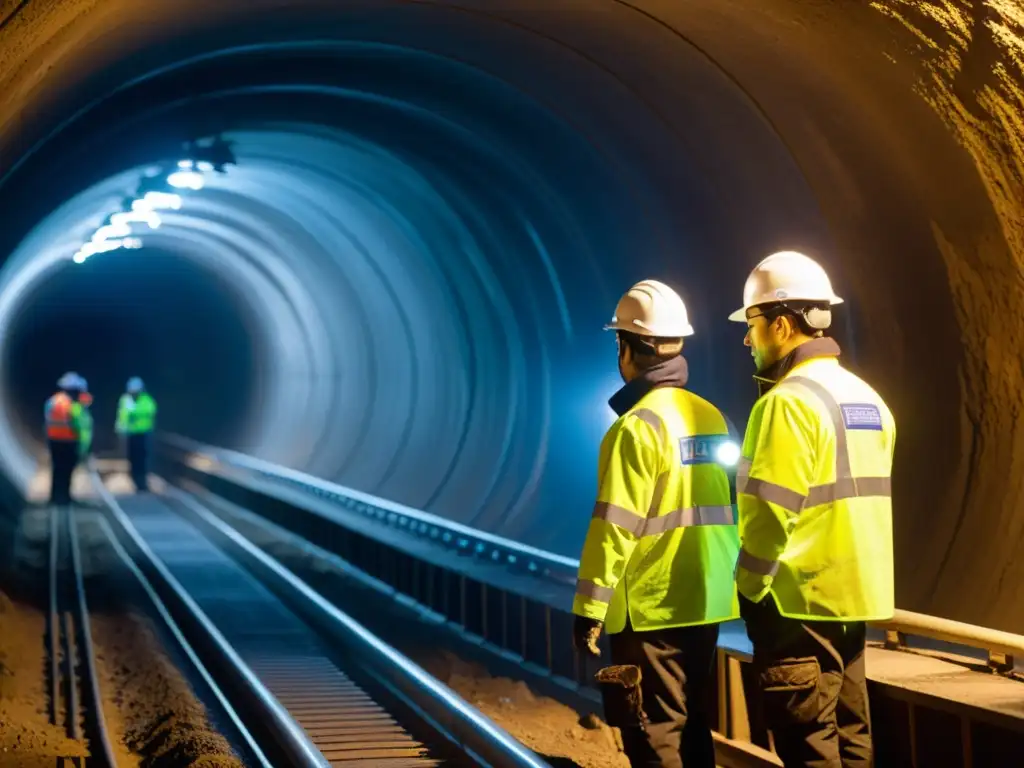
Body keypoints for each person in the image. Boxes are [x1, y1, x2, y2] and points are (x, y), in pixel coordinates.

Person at [729, 251, 896, 767]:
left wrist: (750, 589)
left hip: (798, 607)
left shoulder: (785, 403)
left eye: (752, 324)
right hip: (854, 605)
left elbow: (770, 515)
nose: (746, 339)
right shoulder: (867, 399)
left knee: (809, 748)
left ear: (781, 323)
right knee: (853, 742)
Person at [572, 279, 741, 768]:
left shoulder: (636, 427)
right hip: (707, 600)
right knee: (693, 725)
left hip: (652, 607)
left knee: (652, 732)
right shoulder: (711, 417)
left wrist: (589, 606)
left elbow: (614, 526)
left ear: (627, 348)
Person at [44, 372, 91, 505]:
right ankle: (65, 497)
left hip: (54, 440)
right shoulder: (71, 405)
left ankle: (55, 497)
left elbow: (47, 420)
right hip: (69, 441)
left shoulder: (52, 401)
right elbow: (77, 423)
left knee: (57, 469)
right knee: (67, 470)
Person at [115, 376, 157, 492]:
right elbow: (122, 414)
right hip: (130, 434)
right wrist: (120, 427)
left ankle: (142, 482)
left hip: (143, 434)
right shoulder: (125, 400)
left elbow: (149, 411)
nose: (133, 394)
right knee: (132, 458)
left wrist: (133, 411)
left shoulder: (146, 400)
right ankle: (135, 480)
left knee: (142, 458)